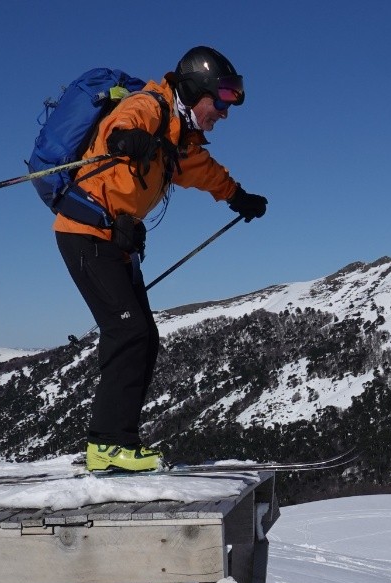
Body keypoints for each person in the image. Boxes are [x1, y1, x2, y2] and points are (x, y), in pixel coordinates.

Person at [54, 46, 267, 472]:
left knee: (145, 336)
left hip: (117, 244)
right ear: (195, 89)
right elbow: (123, 123)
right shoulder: (150, 107)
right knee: (128, 331)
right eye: (221, 99)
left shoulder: (178, 140)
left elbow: (206, 172)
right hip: (84, 235)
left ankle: (120, 443)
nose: (224, 112)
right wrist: (123, 139)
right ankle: (107, 446)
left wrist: (238, 197)